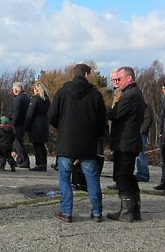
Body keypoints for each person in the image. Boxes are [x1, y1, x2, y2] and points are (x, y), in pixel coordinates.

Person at [49, 64, 108, 222]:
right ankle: (97, 212)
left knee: (64, 178)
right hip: (88, 144)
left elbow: (52, 116)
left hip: (66, 142)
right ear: (87, 75)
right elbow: (102, 122)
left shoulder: (62, 93)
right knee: (92, 179)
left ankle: (67, 212)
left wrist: (62, 128)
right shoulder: (95, 95)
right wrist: (99, 137)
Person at [106, 66, 146, 222]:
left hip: (125, 142)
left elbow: (115, 115)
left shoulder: (130, 95)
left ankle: (127, 211)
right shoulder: (135, 94)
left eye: (119, 79)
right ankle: (134, 209)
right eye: (115, 80)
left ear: (129, 78)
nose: (117, 83)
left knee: (122, 176)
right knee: (128, 176)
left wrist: (102, 110)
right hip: (129, 141)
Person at [25, 81, 51, 171]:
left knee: (37, 145)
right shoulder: (47, 100)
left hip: (36, 125)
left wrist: (26, 126)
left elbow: (30, 114)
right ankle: (43, 164)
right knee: (42, 145)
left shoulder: (35, 99)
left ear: (36, 89)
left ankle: (39, 164)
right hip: (44, 124)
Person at [10, 82, 31, 168]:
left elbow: (16, 113)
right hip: (24, 123)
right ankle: (20, 159)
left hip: (17, 124)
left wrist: (13, 122)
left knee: (18, 143)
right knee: (19, 142)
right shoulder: (26, 98)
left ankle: (24, 160)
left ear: (15, 90)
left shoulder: (18, 99)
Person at [135, 102, 152, 182]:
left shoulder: (144, 106)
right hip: (138, 132)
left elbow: (148, 119)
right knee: (139, 155)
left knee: (140, 154)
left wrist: (142, 130)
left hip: (141, 133)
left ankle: (144, 174)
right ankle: (141, 173)